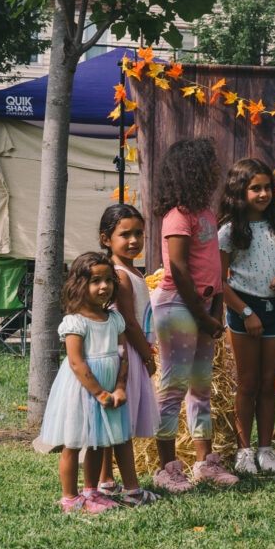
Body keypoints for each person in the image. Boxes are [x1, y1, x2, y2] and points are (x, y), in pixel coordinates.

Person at [37, 252, 160, 513]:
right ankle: (70, 498)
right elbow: (76, 363)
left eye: (108, 280)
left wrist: (119, 387)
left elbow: (123, 354)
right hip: (83, 391)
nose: (104, 287)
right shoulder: (75, 322)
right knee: (73, 443)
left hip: (111, 389)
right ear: (79, 285)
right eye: (96, 281)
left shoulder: (114, 319)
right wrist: (100, 394)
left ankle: (91, 493)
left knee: (98, 443)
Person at [149, 139, 238, 492]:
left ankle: (204, 463)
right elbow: (180, 270)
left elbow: (212, 268)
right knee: (173, 387)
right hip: (177, 306)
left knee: (200, 387)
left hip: (204, 309)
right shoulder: (177, 216)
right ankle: (166, 468)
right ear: (193, 172)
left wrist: (216, 307)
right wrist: (202, 316)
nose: (216, 173)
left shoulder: (206, 213)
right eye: (210, 166)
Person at [218, 158, 275, 475]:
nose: (264, 193)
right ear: (240, 192)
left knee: (269, 384)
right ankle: (244, 450)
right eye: (256, 188)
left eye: (268, 188)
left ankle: (266, 449)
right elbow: (219, 281)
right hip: (243, 309)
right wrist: (246, 311)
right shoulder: (228, 232)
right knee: (248, 383)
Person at [96, 204, 160, 499]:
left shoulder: (130, 270)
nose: (134, 240)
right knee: (119, 424)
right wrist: (147, 355)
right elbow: (130, 322)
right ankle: (129, 487)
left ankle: (107, 480)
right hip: (127, 353)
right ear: (106, 239)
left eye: (139, 234)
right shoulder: (119, 276)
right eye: (125, 234)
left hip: (131, 350)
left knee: (114, 422)